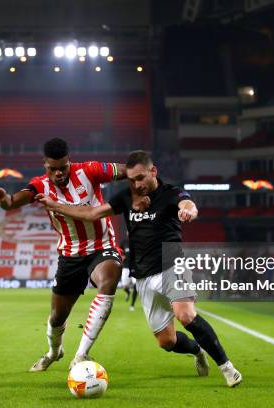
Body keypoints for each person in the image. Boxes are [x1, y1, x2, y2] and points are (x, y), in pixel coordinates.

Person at [37, 150, 242, 387]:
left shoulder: (170, 193)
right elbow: (92, 213)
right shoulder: (127, 197)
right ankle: (197, 351)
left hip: (171, 263)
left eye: (141, 178)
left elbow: (187, 203)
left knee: (185, 314)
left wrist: (189, 211)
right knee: (166, 342)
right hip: (143, 275)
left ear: (153, 171)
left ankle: (228, 369)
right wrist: (57, 207)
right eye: (132, 180)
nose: (137, 184)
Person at [0, 137, 127, 371]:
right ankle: (54, 352)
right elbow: (12, 202)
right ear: (45, 165)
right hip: (69, 255)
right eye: (53, 169)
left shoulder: (89, 171)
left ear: (69, 161)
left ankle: (81, 355)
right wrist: (2, 198)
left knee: (110, 278)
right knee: (56, 318)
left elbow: (125, 170)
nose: (59, 173)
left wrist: (140, 170)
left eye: (63, 167)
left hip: (102, 246)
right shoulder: (40, 186)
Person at [120, 238, 138, 311]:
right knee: (124, 286)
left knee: (136, 285)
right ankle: (128, 292)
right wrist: (121, 255)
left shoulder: (137, 242)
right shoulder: (124, 242)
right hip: (126, 268)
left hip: (135, 267)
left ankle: (132, 305)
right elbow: (119, 250)